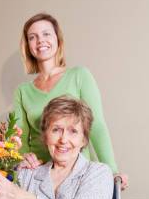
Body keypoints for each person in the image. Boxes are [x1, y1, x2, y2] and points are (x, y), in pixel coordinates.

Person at [14, 12, 129, 189]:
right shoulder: (22, 91)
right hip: (40, 176)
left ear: (58, 39)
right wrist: (24, 158)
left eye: (46, 34)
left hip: (77, 174)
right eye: (32, 37)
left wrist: (112, 170)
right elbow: (20, 137)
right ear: (28, 46)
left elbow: (96, 125)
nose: (40, 41)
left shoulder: (79, 75)